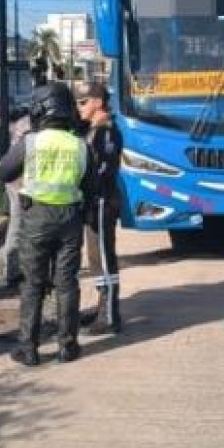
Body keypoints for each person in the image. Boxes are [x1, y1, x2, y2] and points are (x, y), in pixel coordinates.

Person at [0, 82, 95, 366]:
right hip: (69, 219)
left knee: (33, 284)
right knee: (67, 283)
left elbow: (3, 171)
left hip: (36, 218)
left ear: (40, 109)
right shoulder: (80, 145)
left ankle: (28, 348)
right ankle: (68, 345)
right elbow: (92, 186)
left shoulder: (30, 142)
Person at [76, 81, 124, 335]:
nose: (79, 107)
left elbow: (100, 170)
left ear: (97, 102)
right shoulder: (94, 129)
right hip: (96, 201)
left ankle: (109, 316)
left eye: (83, 102)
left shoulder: (105, 132)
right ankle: (102, 306)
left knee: (104, 259)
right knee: (96, 259)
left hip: (102, 200)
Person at [1, 112, 34, 289]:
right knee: (18, 226)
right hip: (21, 183)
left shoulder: (22, 123)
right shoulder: (30, 125)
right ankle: (12, 271)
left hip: (18, 182)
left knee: (18, 226)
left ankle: (13, 269)